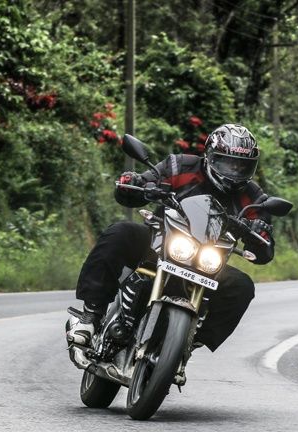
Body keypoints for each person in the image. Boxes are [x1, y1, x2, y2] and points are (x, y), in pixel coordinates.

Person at [66, 123, 274, 354]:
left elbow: (264, 250)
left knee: (242, 286)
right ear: (210, 156)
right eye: (228, 162)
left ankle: (187, 344)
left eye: (241, 165)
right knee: (120, 232)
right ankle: (91, 315)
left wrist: (260, 232)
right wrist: (136, 183)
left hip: (208, 264)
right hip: (158, 244)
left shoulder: (254, 198)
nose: (234, 171)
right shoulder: (180, 166)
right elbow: (140, 185)